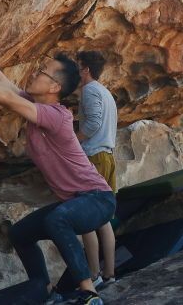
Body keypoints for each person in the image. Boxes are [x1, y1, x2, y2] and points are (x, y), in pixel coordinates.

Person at [0, 22, 114, 305]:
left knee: (57, 218)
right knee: (20, 233)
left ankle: (89, 292)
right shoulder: (35, 106)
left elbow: (8, 98)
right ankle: (44, 287)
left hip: (98, 199)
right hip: (74, 202)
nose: (34, 73)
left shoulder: (57, 116)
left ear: (54, 87)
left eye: (42, 72)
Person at [75, 51, 118, 290]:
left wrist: (72, 140)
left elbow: (92, 123)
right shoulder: (105, 92)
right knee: (104, 218)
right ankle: (110, 274)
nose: (75, 71)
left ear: (86, 70)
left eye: (77, 67)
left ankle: (94, 274)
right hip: (107, 156)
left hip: (94, 156)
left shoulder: (90, 90)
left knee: (87, 217)